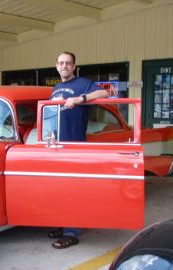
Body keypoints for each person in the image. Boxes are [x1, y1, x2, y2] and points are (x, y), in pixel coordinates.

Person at [48, 51, 110, 249]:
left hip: (75, 146)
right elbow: (51, 114)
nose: (64, 66)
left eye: (68, 63)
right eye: (61, 63)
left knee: (72, 189)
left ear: (73, 66)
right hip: (57, 146)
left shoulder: (83, 83)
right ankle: (62, 224)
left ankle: (71, 232)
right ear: (57, 66)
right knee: (58, 189)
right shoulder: (56, 88)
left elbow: (105, 93)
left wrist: (79, 99)